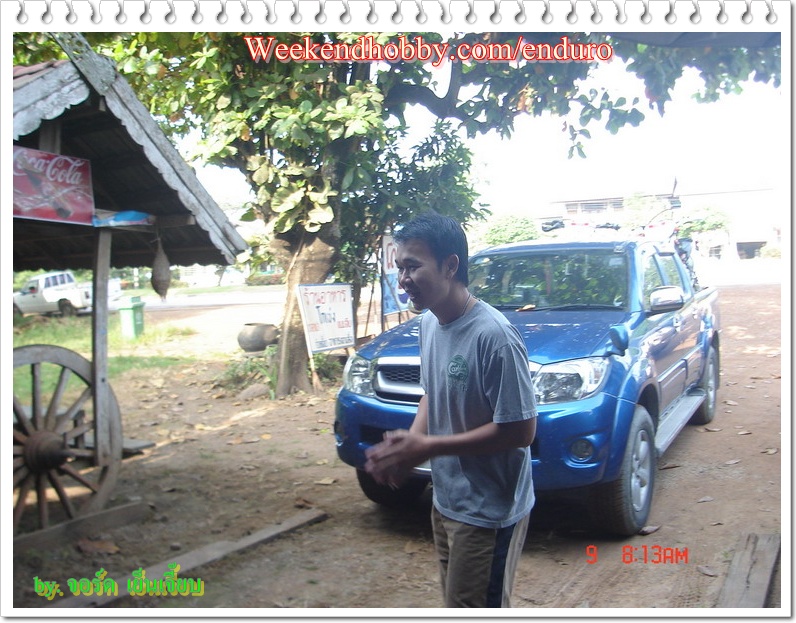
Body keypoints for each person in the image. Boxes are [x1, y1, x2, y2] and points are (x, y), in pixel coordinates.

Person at [365, 211, 537, 608]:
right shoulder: (429, 323)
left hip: (489, 510)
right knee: (457, 603)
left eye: (413, 266)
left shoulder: (494, 336)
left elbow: (521, 431)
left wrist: (429, 447)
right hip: (448, 499)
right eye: (400, 268)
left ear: (450, 265)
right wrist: (412, 443)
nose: (403, 279)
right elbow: (433, 392)